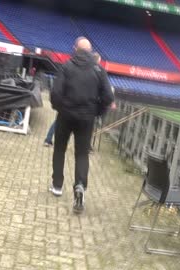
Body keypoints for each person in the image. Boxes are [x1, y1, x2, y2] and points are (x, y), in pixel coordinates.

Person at [49, 37, 114, 213]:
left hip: (66, 115)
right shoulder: (98, 69)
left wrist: (59, 107)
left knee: (60, 149)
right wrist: (97, 112)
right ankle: (79, 186)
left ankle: (57, 185)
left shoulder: (66, 66)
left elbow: (55, 93)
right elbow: (108, 97)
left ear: (74, 48)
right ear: (90, 51)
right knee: (82, 154)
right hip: (87, 118)